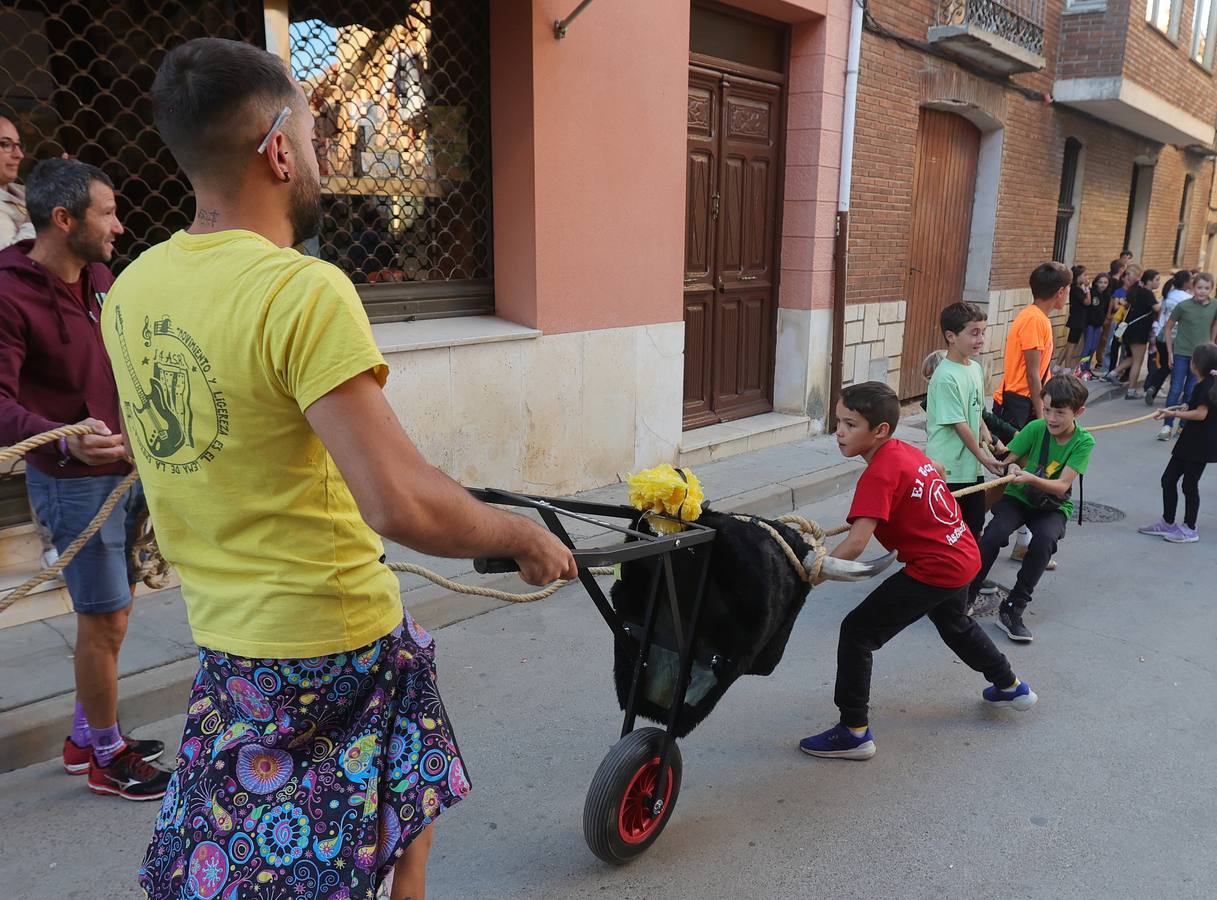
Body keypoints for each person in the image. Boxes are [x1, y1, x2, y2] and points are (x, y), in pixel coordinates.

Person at [101, 38, 576, 900]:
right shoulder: (301, 290)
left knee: (244, 867)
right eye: (316, 138)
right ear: (277, 148)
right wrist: (521, 535)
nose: (321, 158)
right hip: (336, 649)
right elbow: (395, 501)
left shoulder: (132, 290)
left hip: (228, 650)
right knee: (395, 847)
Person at [0, 158, 168, 798]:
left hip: (124, 472)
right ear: (64, 220)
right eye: (108, 213)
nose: (120, 226)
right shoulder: (10, 291)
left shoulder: (101, 276)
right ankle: (105, 755)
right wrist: (66, 437)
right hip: (71, 483)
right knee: (105, 620)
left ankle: (83, 738)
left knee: (113, 615)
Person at [798, 382, 1037, 761]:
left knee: (858, 632)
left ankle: (854, 731)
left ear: (880, 431)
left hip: (937, 566)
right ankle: (1010, 685)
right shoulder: (903, 452)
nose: (839, 432)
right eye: (838, 422)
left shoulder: (877, 475)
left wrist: (809, 576)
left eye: (850, 424)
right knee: (955, 624)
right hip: (963, 554)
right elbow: (937, 469)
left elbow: (857, 544)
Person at [968, 375, 1094, 643]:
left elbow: (1061, 486)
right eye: (1047, 410)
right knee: (994, 533)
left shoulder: (1084, 442)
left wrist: (1029, 476)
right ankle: (967, 594)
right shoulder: (1036, 428)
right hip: (1019, 496)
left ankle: (1014, 607)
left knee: (1045, 541)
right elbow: (1006, 460)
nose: (1051, 418)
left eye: (1060, 413)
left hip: (1052, 505)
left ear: (1078, 412)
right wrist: (1010, 465)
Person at [925, 302, 1003, 540]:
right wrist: (983, 456)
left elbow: (976, 409)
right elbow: (958, 423)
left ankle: (965, 575)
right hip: (948, 467)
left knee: (974, 523)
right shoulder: (946, 376)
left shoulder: (975, 368)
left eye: (983, 332)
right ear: (951, 336)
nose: (980, 339)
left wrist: (986, 433)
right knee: (948, 530)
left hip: (970, 464)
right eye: (973, 333)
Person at [1140, 342, 1217, 543]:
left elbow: (1201, 414)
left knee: (1189, 485)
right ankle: (1167, 522)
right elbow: (1197, 407)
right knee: (1168, 479)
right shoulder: (1204, 384)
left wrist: (1173, 413)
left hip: (1200, 445)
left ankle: (1190, 528)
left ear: (1195, 365)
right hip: (1189, 441)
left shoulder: (1208, 385)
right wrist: (1182, 407)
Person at [994, 262, 1069, 429]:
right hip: (1018, 401)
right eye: (1067, 291)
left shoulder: (1038, 317)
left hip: (1026, 400)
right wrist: (1042, 412)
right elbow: (1032, 373)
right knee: (1013, 454)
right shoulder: (1034, 319)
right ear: (1061, 292)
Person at [1159, 273, 1217, 440]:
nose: (1202, 291)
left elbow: (1215, 325)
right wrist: (1170, 351)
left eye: (1206, 288)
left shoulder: (1214, 305)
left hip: (1203, 356)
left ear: (1211, 289)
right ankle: (1167, 425)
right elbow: (1168, 327)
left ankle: (1184, 427)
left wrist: (1212, 344)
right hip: (1182, 353)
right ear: (1193, 288)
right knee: (1176, 388)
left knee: (1193, 391)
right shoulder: (1183, 306)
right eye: (1199, 287)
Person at [1105, 268, 1159, 398]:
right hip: (1140, 330)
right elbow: (1157, 308)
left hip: (1130, 328)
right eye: (1157, 280)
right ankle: (1131, 391)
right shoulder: (1147, 293)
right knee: (1137, 361)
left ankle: (1113, 373)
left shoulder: (1136, 290)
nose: (1158, 283)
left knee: (1134, 357)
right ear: (1149, 281)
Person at [1145, 270, 1191, 404]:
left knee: (1165, 366)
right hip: (1177, 337)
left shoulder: (1168, 295)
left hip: (1161, 335)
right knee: (1178, 368)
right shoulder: (1186, 298)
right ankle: (1174, 396)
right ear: (1186, 282)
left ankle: (1153, 388)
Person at [0, 116, 35, 250]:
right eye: (5, 144)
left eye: (19, 145)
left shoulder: (23, 191)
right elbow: (8, 261)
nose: (19, 154)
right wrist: (39, 207)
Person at [1082, 271, 1112, 376]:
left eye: (1105, 282)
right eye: (1100, 282)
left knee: (1094, 347)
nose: (1103, 285)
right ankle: (1082, 368)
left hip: (1098, 325)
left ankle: (1088, 367)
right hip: (1090, 323)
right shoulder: (1092, 292)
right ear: (1096, 283)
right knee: (1088, 347)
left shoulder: (1107, 295)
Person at [1060, 265, 1090, 369]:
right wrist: (1087, 289)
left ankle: (1058, 366)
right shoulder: (1076, 290)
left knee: (1069, 344)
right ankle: (1067, 368)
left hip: (1077, 319)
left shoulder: (1077, 289)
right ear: (1078, 276)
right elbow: (1087, 302)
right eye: (1084, 275)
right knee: (1072, 345)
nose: (1087, 277)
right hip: (1077, 320)